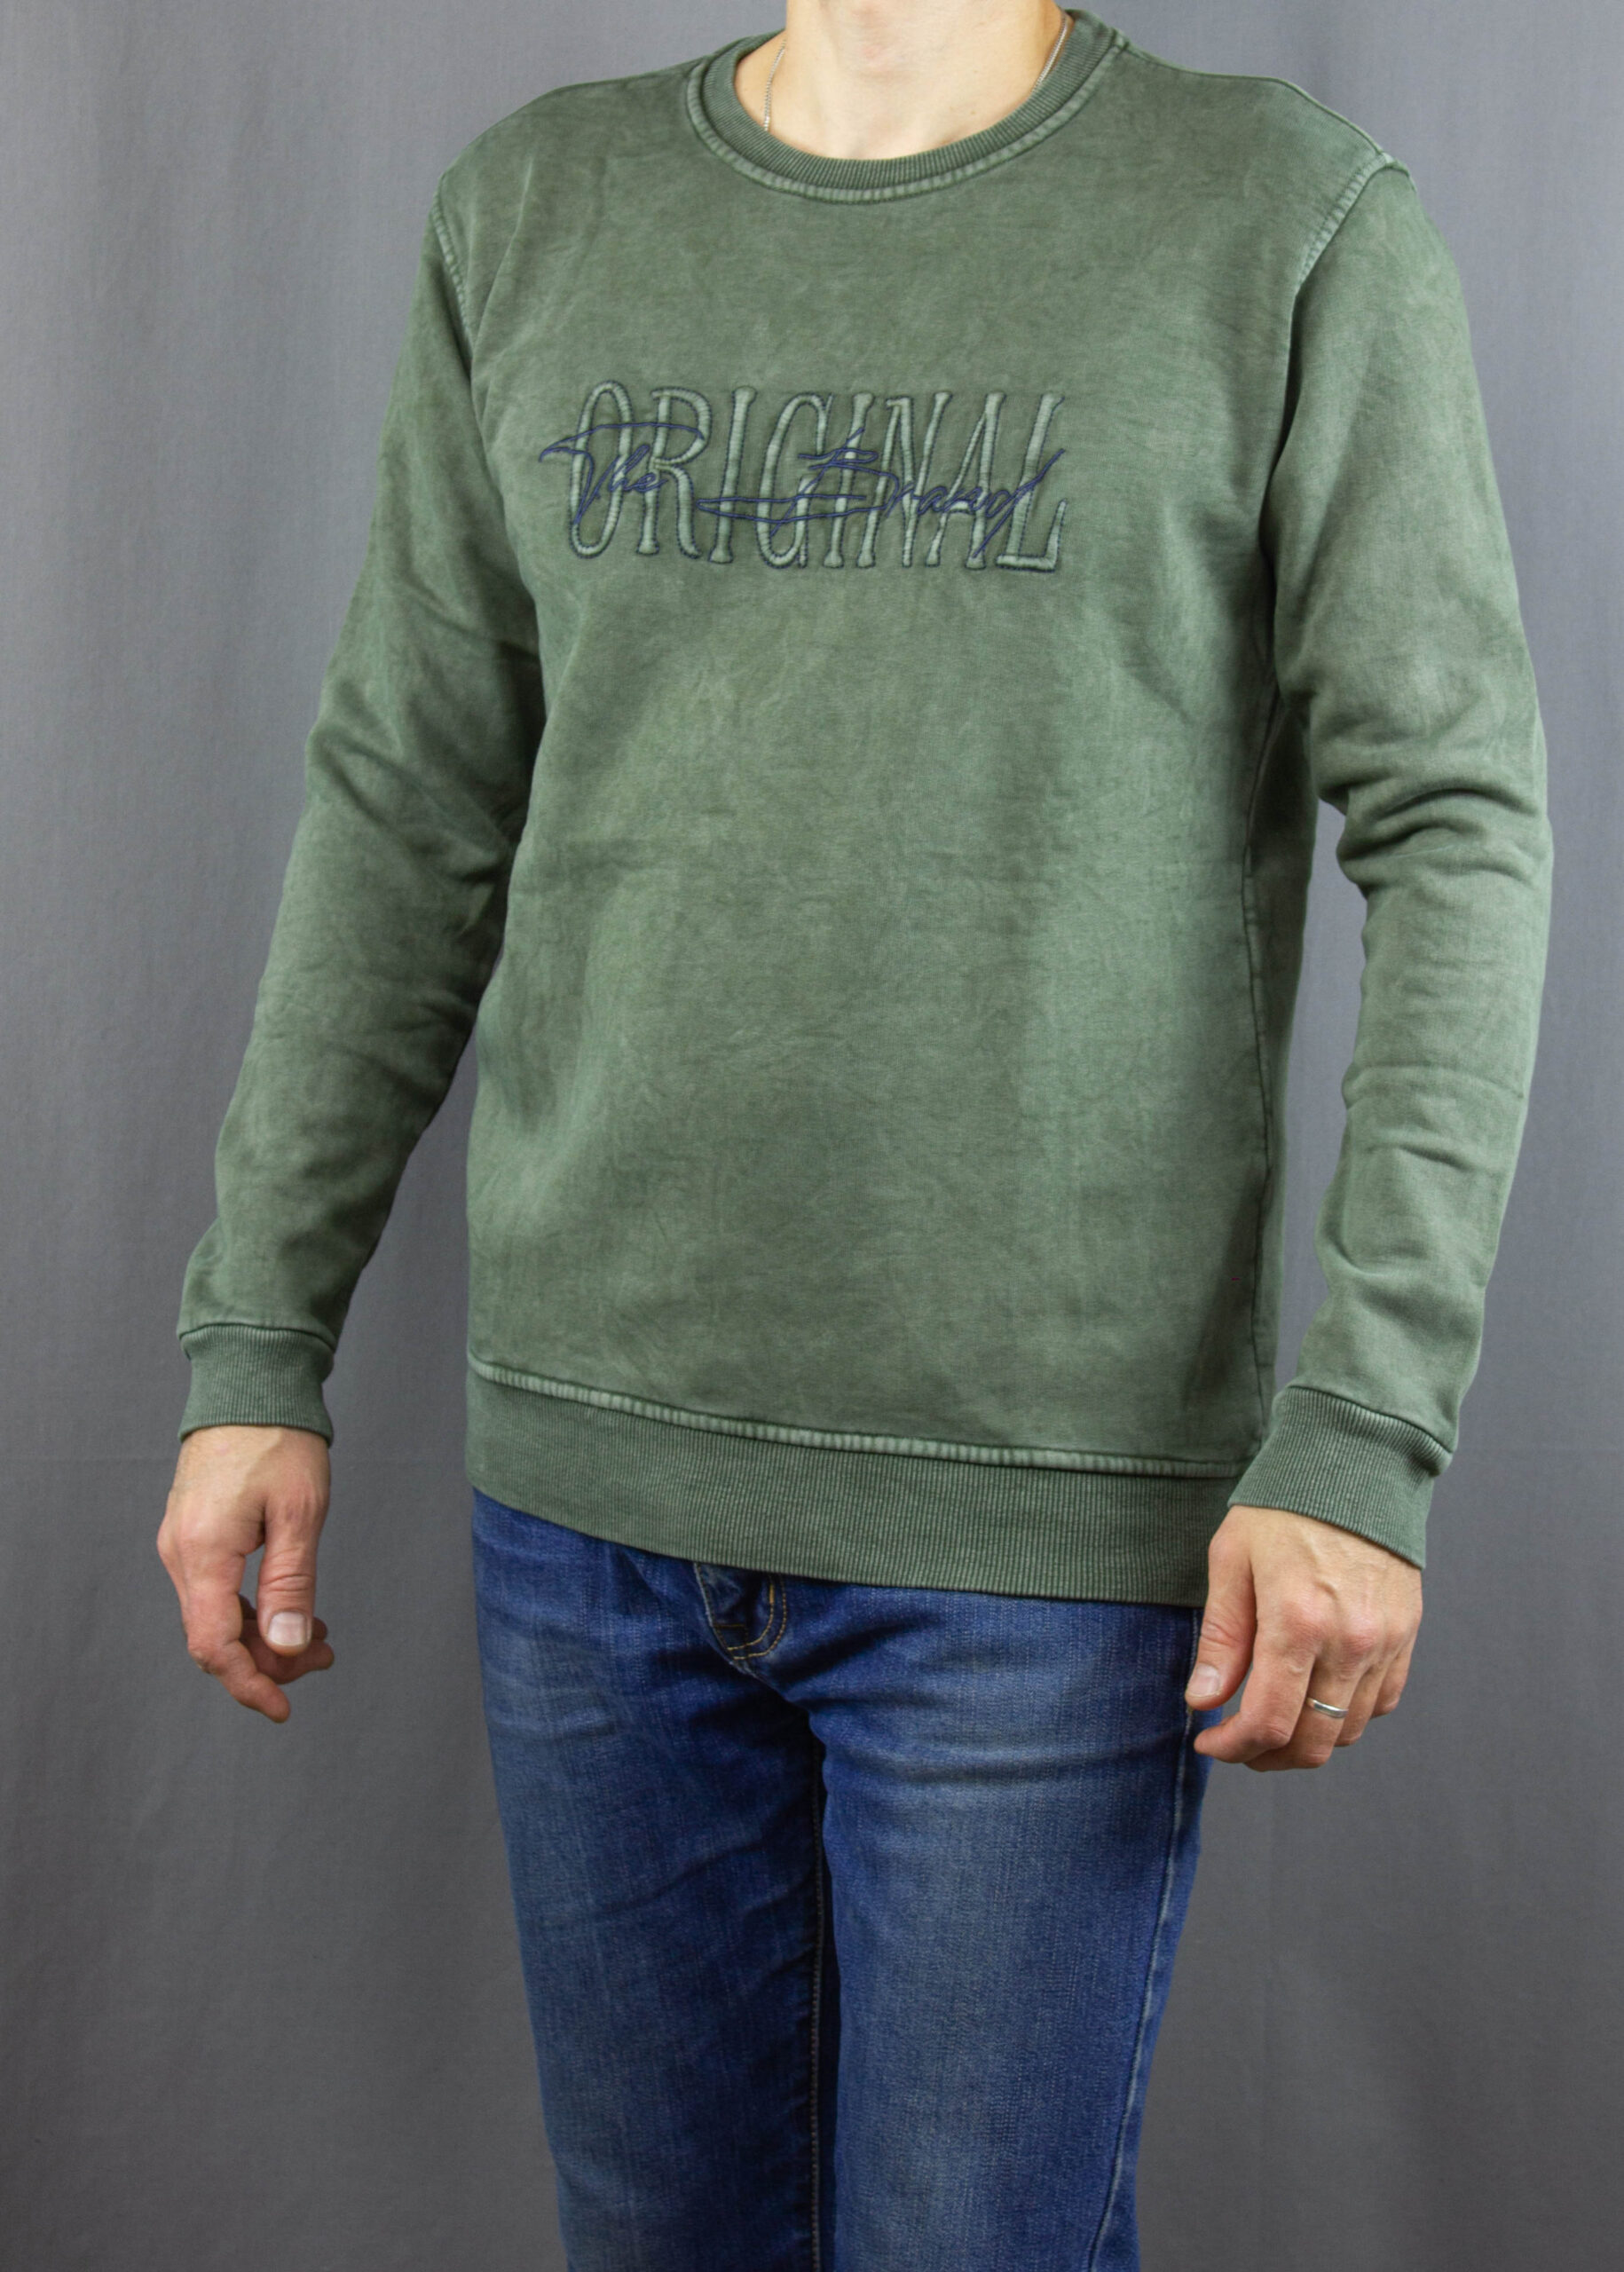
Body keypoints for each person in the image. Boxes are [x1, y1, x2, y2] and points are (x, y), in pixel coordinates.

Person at [156, 4, 1552, 2264]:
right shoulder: (537, 206)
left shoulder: (1283, 222)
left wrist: (1369, 1425)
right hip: (589, 1509)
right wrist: (256, 1339)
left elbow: (1459, 823)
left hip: (1041, 1526)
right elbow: (408, 801)